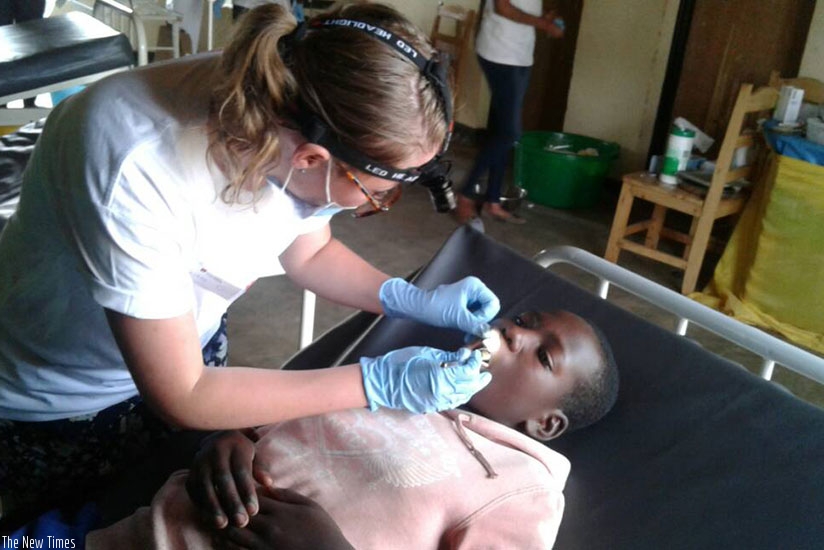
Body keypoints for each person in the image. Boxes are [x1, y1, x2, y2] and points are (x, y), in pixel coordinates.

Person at [0, 3, 500, 526]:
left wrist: (407, 297)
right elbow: (184, 393)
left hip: (191, 350)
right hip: (62, 398)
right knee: (52, 538)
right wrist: (376, 385)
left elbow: (309, 250)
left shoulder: (290, 96)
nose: (369, 206)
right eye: (376, 196)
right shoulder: (136, 163)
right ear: (310, 158)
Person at [86, 310, 620, 549]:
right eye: (524, 320)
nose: (515, 333)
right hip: (145, 532)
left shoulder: (522, 487)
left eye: (543, 355)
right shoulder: (407, 378)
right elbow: (274, 412)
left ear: (545, 423)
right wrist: (230, 438)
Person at [454, 0, 565, 225]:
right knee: (509, 133)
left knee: (501, 130)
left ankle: (492, 200)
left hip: (520, 53)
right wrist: (543, 24)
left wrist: (545, 15)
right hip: (499, 52)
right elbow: (502, 7)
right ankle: (465, 194)